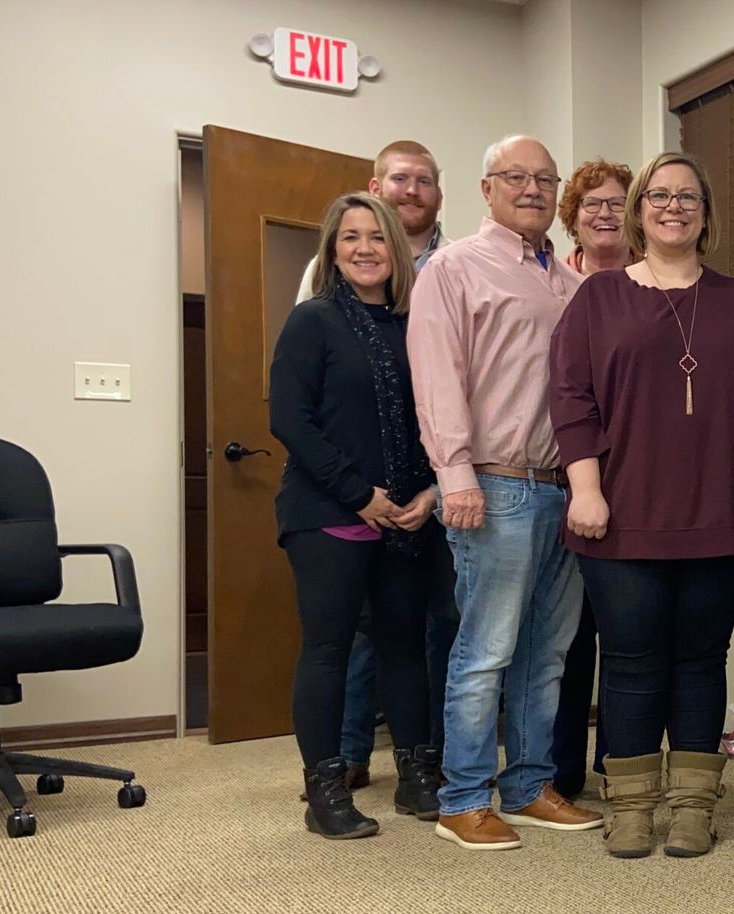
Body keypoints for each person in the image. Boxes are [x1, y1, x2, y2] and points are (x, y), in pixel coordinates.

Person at [550, 151, 734, 860]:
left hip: (721, 515)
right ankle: (631, 808)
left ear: (706, 212)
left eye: (688, 195)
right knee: (629, 664)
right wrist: (586, 490)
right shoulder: (596, 299)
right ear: (638, 210)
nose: (673, 206)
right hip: (621, 516)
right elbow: (572, 403)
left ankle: (692, 805)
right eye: (658, 194)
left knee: (700, 662)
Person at [408, 135, 602, 851]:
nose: (531, 189)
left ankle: (526, 785)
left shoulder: (571, 284)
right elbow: (436, 376)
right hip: (493, 484)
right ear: (486, 189)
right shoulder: (453, 269)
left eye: (543, 179)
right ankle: (462, 798)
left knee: (545, 655)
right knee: (486, 650)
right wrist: (454, 474)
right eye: (514, 177)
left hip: (564, 490)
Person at [268, 193, 440, 839]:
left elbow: (436, 416)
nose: (364, 248)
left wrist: (426, 493)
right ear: (333, 252)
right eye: (350, 238)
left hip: (409, 514)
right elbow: (290, 420)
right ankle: (325, 791)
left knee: (405, 647)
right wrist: (361, 494)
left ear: (397, 248)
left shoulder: (419, 323)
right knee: (330, 651)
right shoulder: (313, 322)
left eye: (376, 236)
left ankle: (416, 778)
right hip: (330, 512)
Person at [551, 159, 635, 801]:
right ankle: (558, 768)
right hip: (564, 476)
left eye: (617, 203)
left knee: (627, 635)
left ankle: (619, 764)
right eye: (592, 205)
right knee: (567, 633)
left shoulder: (655, 282)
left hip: (636, 478)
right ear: (571, 215)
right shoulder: (551, 283)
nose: (605, 214)